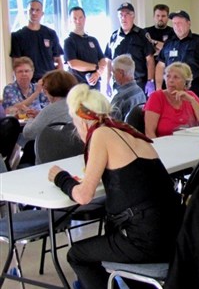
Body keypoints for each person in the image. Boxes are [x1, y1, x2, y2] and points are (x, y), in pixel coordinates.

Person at [47, 84, 181, 289]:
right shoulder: (127, 131)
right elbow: (129, 177)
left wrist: (60, 177)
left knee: (77, 255)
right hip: (174, 233)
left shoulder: (101, 134)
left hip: (147, 241)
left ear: (82, 120)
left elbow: (83, 196)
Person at [155, 10, 199, 100]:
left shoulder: (198, 41)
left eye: (179, 23)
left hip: (193, 89)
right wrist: (158, 87)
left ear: (188, 23)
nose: (176, 26)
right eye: (174, 23)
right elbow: (160, 65)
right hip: (171, 89)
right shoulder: (169, 43)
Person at [144, 62, 199, 138]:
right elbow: (149, 133)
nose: (171, 80)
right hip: (165, 146)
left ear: (186, 82)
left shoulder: (190, 95)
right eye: (168, 76)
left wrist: (192, 101)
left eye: (176, 77)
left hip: (190, 142)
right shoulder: (156, 97)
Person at [104, 2, 155, 96]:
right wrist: (107, 82)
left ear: (133, 16)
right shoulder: (114, 37)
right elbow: (108, 61)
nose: (123, 18)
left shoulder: (142, 34)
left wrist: (150, 80)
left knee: (138, 110)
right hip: (118, 84)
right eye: (121, 15)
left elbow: (150, 59)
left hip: (138, 83)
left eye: (127, 14)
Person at [10, 0, 64, 82]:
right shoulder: (17, 36)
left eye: (37, 10)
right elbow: (16, 63)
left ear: (42, 14)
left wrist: (58, 78)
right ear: (26, 12)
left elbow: (58, 59)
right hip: (29, 82)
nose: (34, 13)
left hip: (49, 80)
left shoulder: (50, 33)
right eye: (31, 9)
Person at [23, 70, 77, 141]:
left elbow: (28, 133)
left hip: (57, 148)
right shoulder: (80, 105)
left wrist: (31, 119)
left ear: (48, 90)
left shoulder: (50, 109)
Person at [63, 6, 107, 90]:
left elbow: (103, 61)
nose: (78, 21)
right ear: (70, 21)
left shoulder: (93, 40)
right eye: (75, 18)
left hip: (95, 86)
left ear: (85, 18)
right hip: (78, 87)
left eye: (80, 18)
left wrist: (97, 74)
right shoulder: (69, 41)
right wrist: (95, 67)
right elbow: (73, 64)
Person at [110, 55, 147, 121]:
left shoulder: (120, 98)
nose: (113, 76)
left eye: (114, 72)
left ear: (121, 73)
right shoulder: (140, 92)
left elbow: (110, 124)